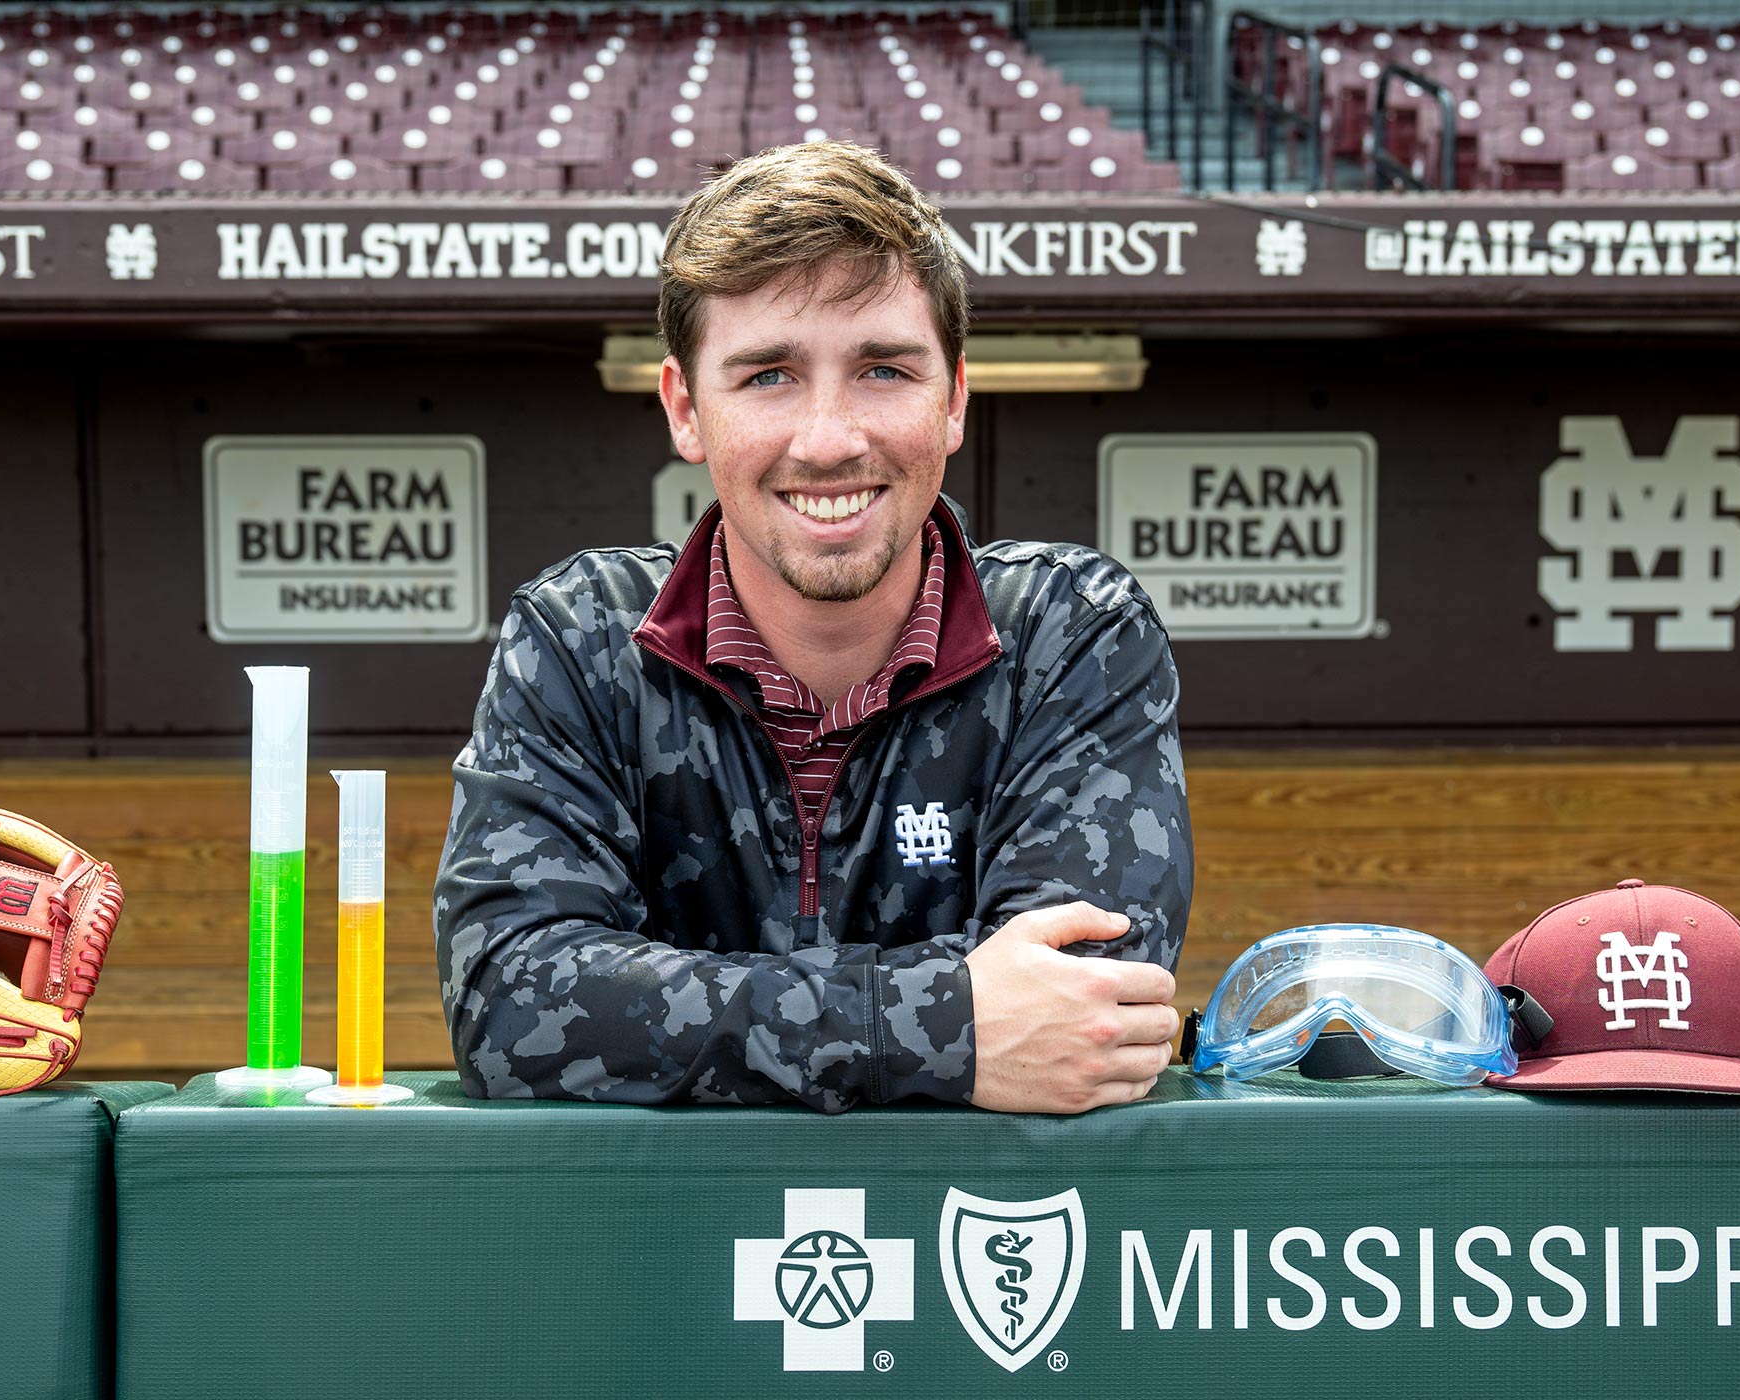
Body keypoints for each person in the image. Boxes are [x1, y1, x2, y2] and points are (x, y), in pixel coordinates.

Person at [435, 141, 1190, 1114]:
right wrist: (948, 1024)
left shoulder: (1070, 635)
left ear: (953, 396)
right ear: (685, 408)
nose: (831, 439)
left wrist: (675, 1009)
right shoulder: (581, 638)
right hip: (651, 1255)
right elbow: (510, 1006)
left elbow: (1089, 1006)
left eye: (883, 368)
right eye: (767, 376)